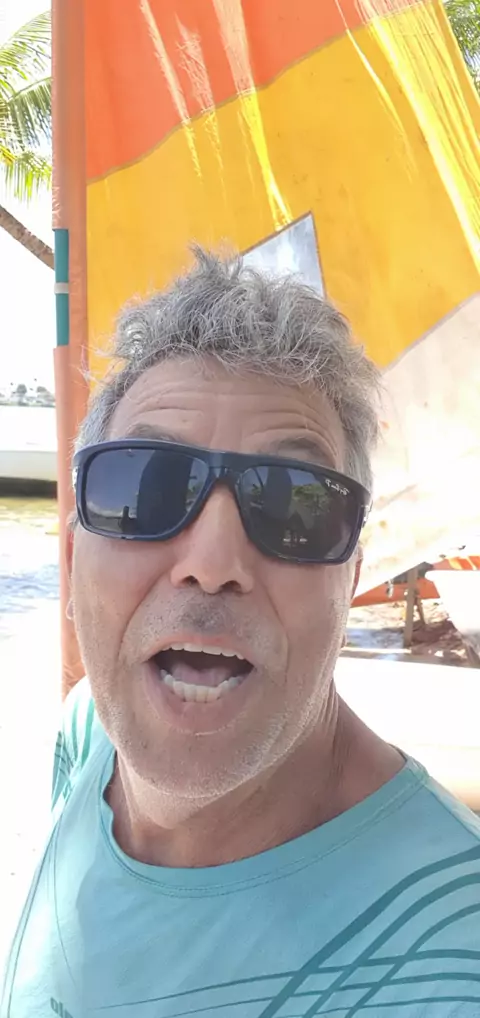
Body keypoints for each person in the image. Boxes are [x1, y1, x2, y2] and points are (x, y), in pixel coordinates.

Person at [3, 249, 480, 1018]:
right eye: (147, 488)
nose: (212, 563)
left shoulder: (448, 969)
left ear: (351, 580)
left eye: (295, 507)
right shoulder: (89, 734)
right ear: (69, 559)